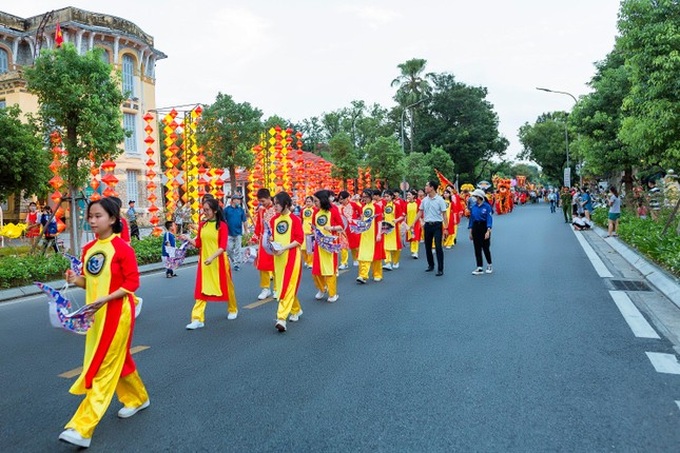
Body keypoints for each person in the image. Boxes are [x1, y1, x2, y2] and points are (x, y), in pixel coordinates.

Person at [60, 198, 149, 449]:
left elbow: (132, 284)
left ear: (112, 219)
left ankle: (82, 427)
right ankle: (138, 398)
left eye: (97, 216)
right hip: (96, 315)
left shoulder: (123, 249)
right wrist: (75, 279)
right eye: (90, 216)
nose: (92, 221)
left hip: (118, 314)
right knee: (119, 362)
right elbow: (89, 282)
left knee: (103, 365)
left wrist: (105, 299)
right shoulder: (88, 249)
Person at [181, 198, 238, 329]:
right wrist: (188, 238)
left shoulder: (222, 226)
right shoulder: (202, 225)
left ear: (215, 210)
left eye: (207, 210)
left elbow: (222, 247)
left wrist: (212, 258)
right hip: (205, 262)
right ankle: (197, 318)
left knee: (227, 287)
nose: (204, 212)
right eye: (203, 210)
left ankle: (232, 309)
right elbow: (198, 243)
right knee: (201, 289)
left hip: (219, 261)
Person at [270, 191, 304, 332]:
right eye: (274, 204)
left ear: (286, 204)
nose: (275, 206)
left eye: (278, 204)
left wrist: (284, 247)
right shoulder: (273, 220)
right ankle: (296, 309)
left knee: (287, 285)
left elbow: (299, 239)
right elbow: (272, 238)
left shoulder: (295, 220)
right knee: (284, 285)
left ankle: (281, 318)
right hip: (278, 257)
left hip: (292, 256)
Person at [409, 181, 447, 276]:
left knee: (438, 247)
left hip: (437, 225)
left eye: (427, 186)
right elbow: (420, 212)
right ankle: (431, 265)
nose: (425, 188)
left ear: (432, 188)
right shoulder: (424, 200)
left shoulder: (440, 200)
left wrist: (446, 227)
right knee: (427, 246)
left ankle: (440, 268)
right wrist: (413, 223)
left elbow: (444, 214)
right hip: (427, 225)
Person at [311, 190, 343, 303]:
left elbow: (342, 226)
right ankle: (321, 288)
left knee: (329, 270)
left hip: (330, 245)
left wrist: (332, 228)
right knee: (316, 270)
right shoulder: (315, 212)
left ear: (323, 200)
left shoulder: (333, 210)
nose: (314, 203)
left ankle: (332, 293)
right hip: (319, 244)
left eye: (316, 201)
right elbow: (313, 227)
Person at [356, 189, 385, 284]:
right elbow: (362, 220)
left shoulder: (377, 207)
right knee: (363, 254)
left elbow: (379, 221)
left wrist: (379, 233)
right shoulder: (363, 207)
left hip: (374, 234)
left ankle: (377, 274)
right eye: (363, 197)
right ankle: (363, 275)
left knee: (376, 255)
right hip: (365, 234)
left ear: (371, 197)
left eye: (366, 197)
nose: (364, 199)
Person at [253, 188, 277, 300]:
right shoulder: (261, 210)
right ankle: (265, 288)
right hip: (263, 241)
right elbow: (258, 225)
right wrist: (255, 236)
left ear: (269, 198)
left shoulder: (277, 208)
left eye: (263, 201)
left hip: (275, 240)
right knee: (263, 266)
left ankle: (277, 288)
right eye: (260, 201)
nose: (261, 203)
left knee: (276, 265)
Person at [468, 189, 493, 275]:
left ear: (479, 197)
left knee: (485, 247)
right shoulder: (473, 207)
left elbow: (489, 218)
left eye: (474, 196)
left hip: (484, 227)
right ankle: (479, 267)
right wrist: (470, 231)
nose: (473, 198)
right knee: (477, 248)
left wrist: (488, 230)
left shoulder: (487, 206)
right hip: (476, 227)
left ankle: (489, 264)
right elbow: (471, 219)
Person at [337, 190, 362, 268]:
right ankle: (344, 263)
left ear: (347, 198)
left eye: (343, 199)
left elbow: (361, 212)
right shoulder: (339, 207)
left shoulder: (353, 204)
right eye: (340, 199)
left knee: (355, 245)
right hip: (343, 229)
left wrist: (359, 221)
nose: (341, 201)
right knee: (343, 246)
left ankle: (356, 259)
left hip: (353, 228)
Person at [224, 194, 248, 271]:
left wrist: (246, 231)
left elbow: (244, 221)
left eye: (240, 200)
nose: (239, 201)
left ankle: (236, 264)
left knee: (238, 248)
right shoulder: (227, 210)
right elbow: (223, 221)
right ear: (233, 200)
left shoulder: (241, 210)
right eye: (237, 199)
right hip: (229, 232)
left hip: (238, 232)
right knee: (229, 248)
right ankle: (234, 260)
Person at [381, 190, 404, 270]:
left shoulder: (396, 205)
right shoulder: (384, 206)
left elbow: (402, 216)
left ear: (391, 197)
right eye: (385, 196)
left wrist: (397, 220)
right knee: (385, 246)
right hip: (386, 228)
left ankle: (395, 261)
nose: (386, 198)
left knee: (395, 247)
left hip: (394, 228)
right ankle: (387, 263)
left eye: (388, 196)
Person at [404, 190, 421, 258]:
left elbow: (420, 213)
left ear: (413, 196)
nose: (408, 196)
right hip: (409, 223)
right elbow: (404, 214)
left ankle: (415, 251)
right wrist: (405, 224)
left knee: (415, 237)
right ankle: (413, 250)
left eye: (409, 195)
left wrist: (421, 221)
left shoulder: (418, 203)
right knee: (411, 237)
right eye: (407, 195)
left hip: (416, 223)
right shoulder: (406, 204)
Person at [299, 196, 315, 269]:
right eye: (307, 201)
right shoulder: (303, 210)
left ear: (312, 202)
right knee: (303, 248)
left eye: (309, 201)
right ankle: (306, 260)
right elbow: (301, 220)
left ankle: (310, 262)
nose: (308, 203)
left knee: (310, 249)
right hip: (303, 231)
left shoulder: (315, 210)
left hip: (311, 231)